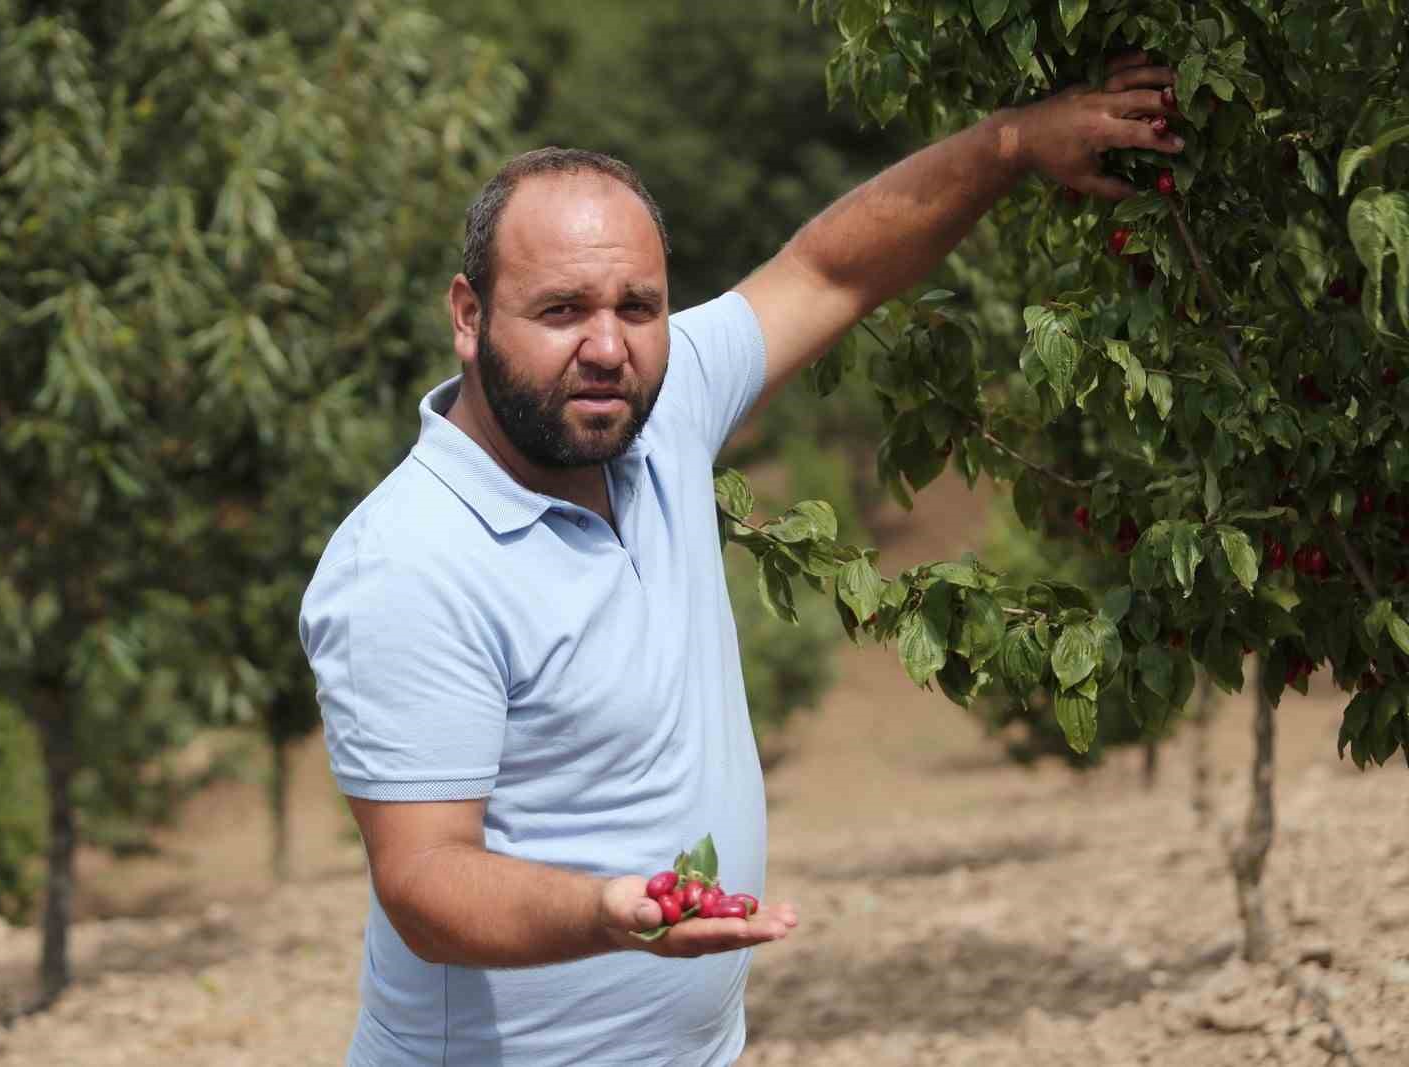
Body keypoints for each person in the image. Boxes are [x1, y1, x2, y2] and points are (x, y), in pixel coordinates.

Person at [299, 51, 1182, 1067]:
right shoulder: (409, 563)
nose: (606, 344)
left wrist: (1011, 144)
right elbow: (424, 878)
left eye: (637, 306)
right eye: (559, 310)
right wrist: (610, 908)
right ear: (467, 315)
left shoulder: (655, 414)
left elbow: (827, 269)